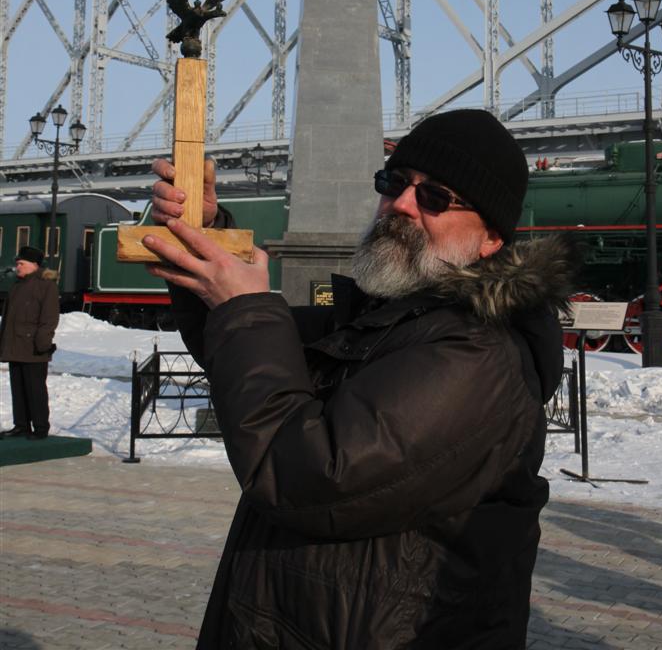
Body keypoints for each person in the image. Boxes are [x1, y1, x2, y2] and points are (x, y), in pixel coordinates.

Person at [148, 111, 573, 650]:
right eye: (394, 183)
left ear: (491, 237)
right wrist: (207, 239)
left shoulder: (477, 355)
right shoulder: (382, 317)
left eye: (435, 198)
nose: (401, 205)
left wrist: (247, 307)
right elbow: (250, 362)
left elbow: (306, 475)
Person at [0, 245, 59, 440]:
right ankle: (21, 425)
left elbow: (49, 318)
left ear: (34, 264)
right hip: (15, 346)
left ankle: (40, 428)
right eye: (17, 263)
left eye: (21, 263)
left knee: (35, 391)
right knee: (18, 389)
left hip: (34, 348)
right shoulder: (17, 285)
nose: (17, 267)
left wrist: (42, 344)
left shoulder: (46, 285)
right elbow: (7, 317)